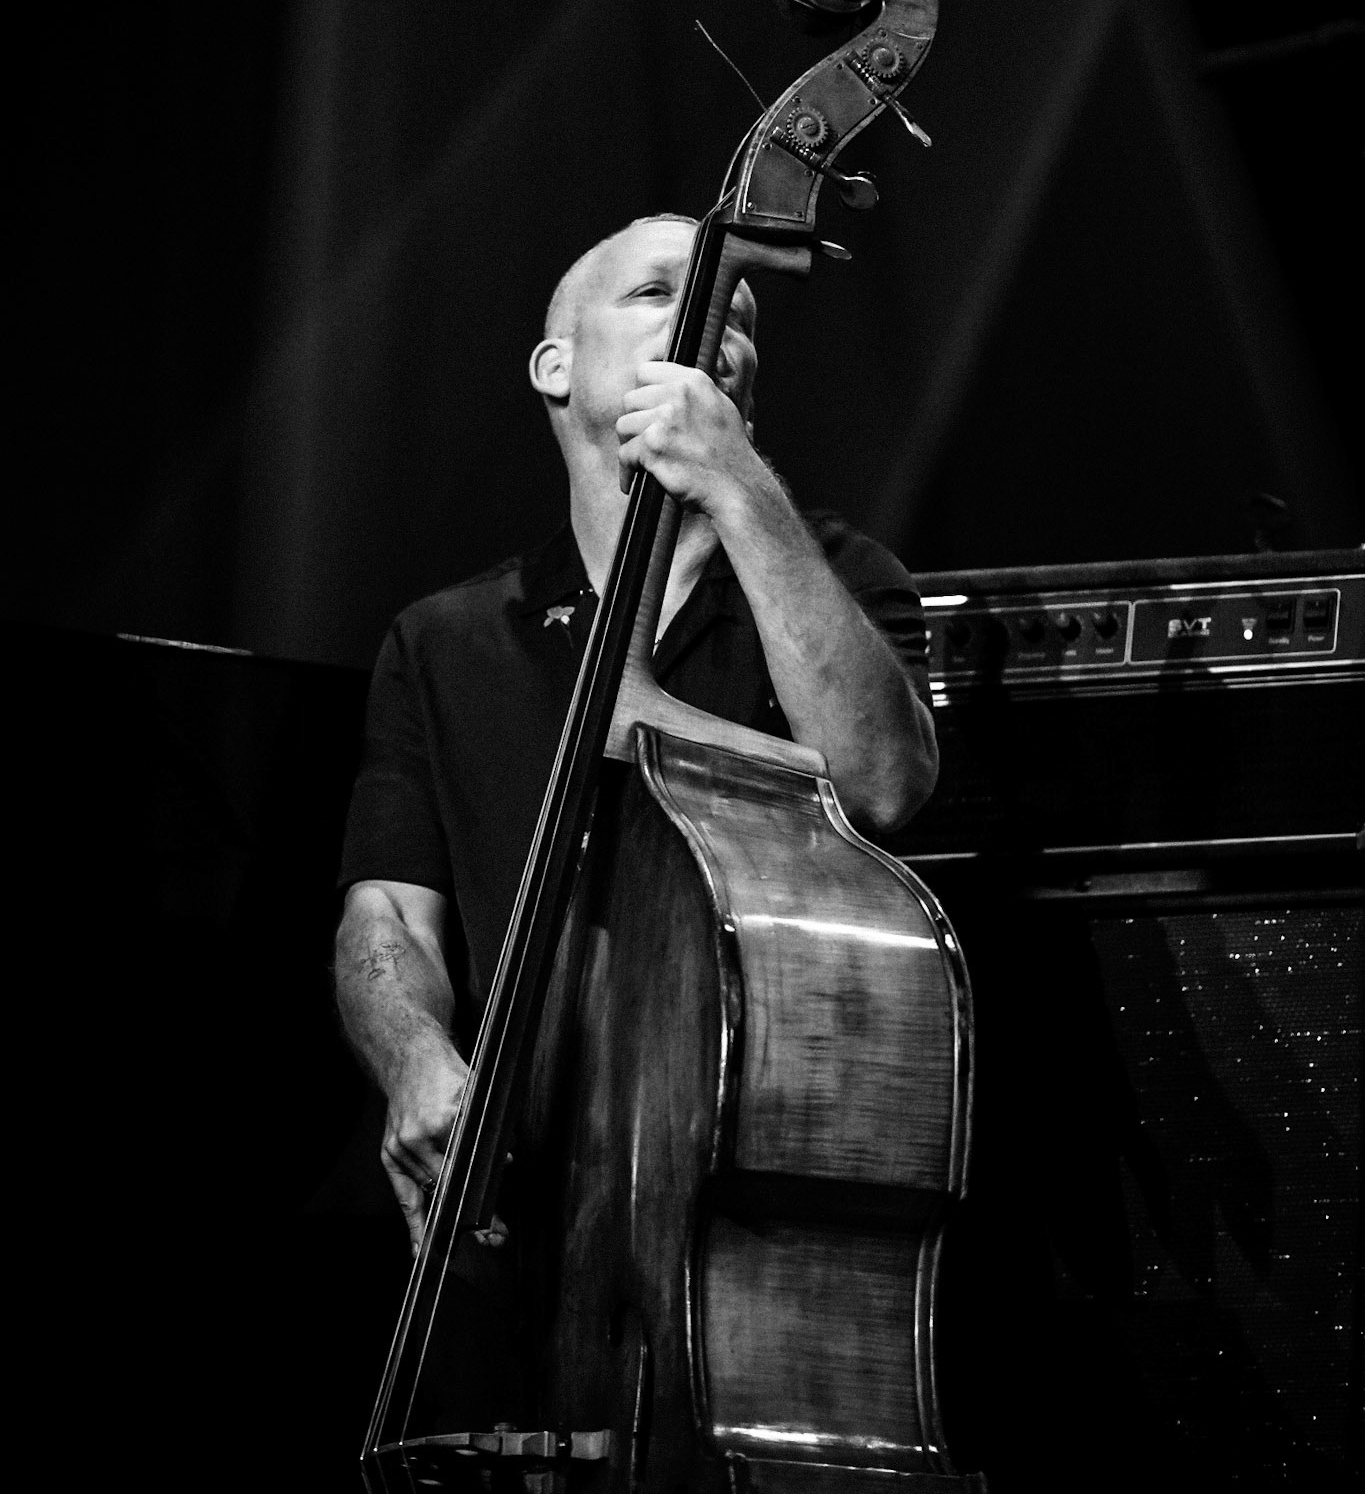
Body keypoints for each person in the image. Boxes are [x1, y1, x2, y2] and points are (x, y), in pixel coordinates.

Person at [334, 214, 939, 1255]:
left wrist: (737, 482)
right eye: (661, 292)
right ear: (554, 364)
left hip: (753, 1188)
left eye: (740, 318)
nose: (715, 327)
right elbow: (386, 908)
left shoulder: (842, 581)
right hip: (522, 1203)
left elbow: (879, 784)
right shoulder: (445, 639)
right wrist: (415, 1056)